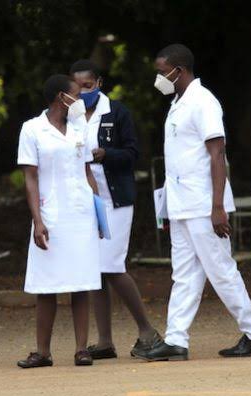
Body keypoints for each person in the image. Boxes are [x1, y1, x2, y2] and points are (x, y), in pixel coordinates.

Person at [136, 44, 251, 362]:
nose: (159, 78)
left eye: (161, 72)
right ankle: (176, 339)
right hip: (181, 204)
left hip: (203, 204)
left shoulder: (203, 102)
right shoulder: (178, 102)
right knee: (183, 273)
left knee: (221, 269)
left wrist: (217, 206)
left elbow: (217, 154)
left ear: (178, 70)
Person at [68, 59, 161, 359]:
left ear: (99, 83)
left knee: (112, 265)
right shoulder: (71, 117)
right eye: (77, 87)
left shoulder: (117, 112)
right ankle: (105, 341)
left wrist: (105, 154)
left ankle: (147, 330)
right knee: (96, 269)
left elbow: (134, 153)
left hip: (116, 199)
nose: (83, 92)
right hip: (86, 200)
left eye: (88, 86)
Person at [16, 74, 101, 368]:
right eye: (75, 95)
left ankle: (81, 349)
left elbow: (87, 171)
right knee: (47, 285)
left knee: (81, 283)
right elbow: (30, 178)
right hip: (49, 214)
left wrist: (98, 208)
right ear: (59, 98)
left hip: (81, 214)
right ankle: (43, 352)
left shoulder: (81, 127)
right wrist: (37, 221)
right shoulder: (32, 129)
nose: (80, 101)